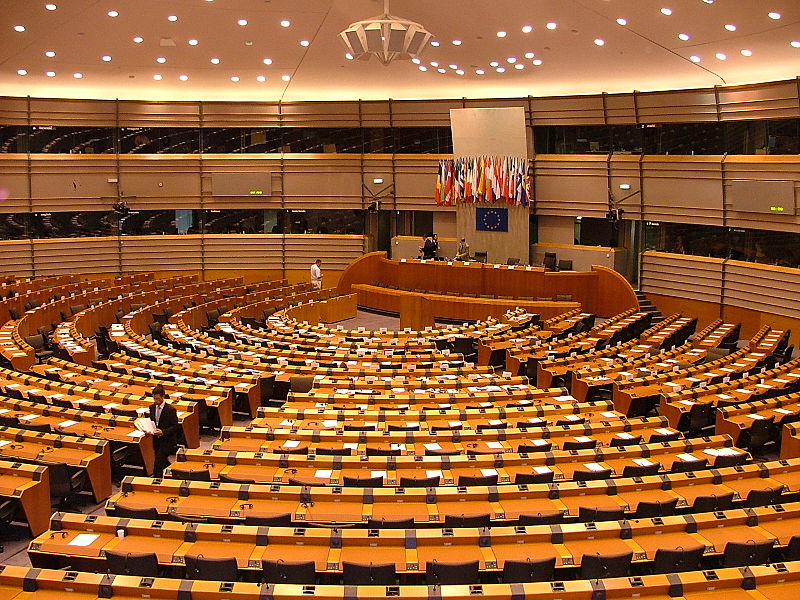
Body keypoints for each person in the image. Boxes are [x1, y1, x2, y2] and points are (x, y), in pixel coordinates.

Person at [147, 384, 178, 477]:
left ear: (163, 397)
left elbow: (175, 427)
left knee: (158, 463)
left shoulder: (170, 410)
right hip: (156, 440)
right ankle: (175, 472)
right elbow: (152, 421)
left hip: (167, 440)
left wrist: (163, 432)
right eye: (154, 399)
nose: (155, 401)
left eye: (157, 398)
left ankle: (157, 480)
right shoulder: (152, 407)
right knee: (162, 460)